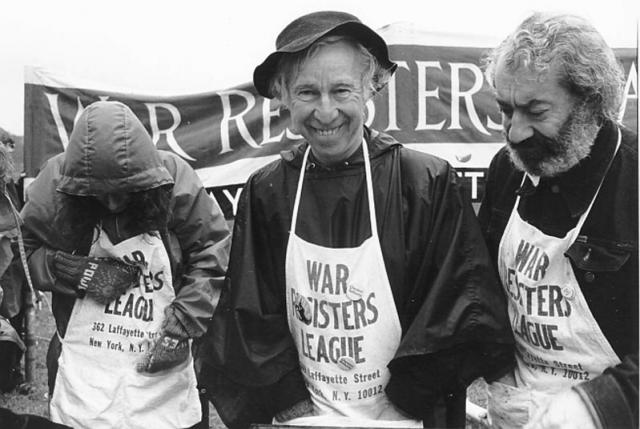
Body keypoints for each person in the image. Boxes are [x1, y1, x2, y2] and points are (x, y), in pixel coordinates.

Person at [197, 10, 515, 428]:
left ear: (371, 89)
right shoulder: (267, 190)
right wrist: (294, 408)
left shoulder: (423, 182)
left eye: (342, 90)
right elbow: (250, 315)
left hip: (407, 417)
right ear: (284, 98)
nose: (325, 112)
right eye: (307, 92)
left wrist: (405, 404)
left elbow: (458, 307)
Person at [20, 101, 231, 429]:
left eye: (126, 191)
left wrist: (183, 323)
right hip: (84, 364)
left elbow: (213, 252)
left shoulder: (173, 178)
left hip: (164, 352)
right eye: (99, 195)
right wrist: (68, 269)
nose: (114, 203)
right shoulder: (54, 185)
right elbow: (21, 253)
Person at [479, 12, 638, 429]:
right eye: (505, 110)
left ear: (591, 102)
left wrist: (591, 408)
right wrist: (498, 373)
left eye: (536, 111)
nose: (515, 133)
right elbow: (478, 287)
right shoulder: (506, 169)